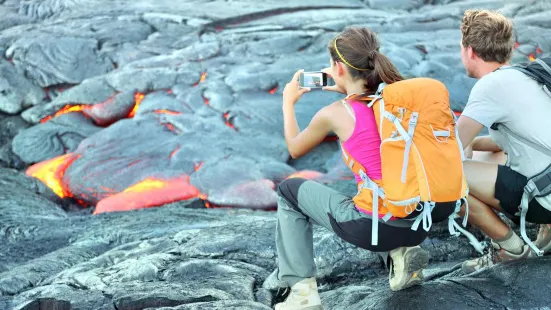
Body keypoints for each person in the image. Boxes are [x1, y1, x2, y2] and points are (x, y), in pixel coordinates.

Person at [272, 26, 463, 310]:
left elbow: (295, 148)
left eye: (331, 66)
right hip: (420, 220)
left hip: (377, 229)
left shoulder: (335, 114)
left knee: (289, 191)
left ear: (338, 67)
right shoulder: (398, 105)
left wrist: (289, 103)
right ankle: (400, 255)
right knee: (380, 183)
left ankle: (301, 292)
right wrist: (346, 84)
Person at [456, 9, 551, 275]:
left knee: (442, 177)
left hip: (546, 199)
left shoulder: (489, 88)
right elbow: (511, 141)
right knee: (489, 157)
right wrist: (473, 145)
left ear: (470, 51)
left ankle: (511, 249)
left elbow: (448, 148)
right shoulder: (523, 75)